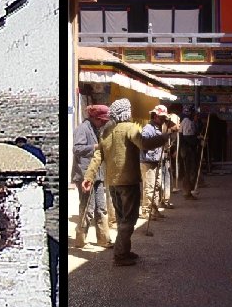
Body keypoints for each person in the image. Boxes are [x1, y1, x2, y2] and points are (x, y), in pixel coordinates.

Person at [82, 98, 179, 266]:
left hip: (112, 182)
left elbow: (98, 156)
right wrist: (166, 136)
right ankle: (120, 255)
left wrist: (88, 177)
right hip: (128, 181)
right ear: (126, 112)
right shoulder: (130, 128)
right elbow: (145, 144)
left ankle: (125, 251)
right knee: (130, 219)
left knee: (121, 219)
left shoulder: (106, 130)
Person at [71, 105, 113, 249]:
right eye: (102, 120)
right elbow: (76, 149)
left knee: (101, 208)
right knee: (88, 208)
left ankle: (103, 238)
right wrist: (94, 147)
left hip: (98, 174)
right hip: (84, 175)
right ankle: (81, 239)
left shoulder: (97, 129)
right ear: (94, 118)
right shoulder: (83, 129)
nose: (103, 123)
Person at [140, 105, 168, 220]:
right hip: (148, 161)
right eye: (161, 118)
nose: (163, 120)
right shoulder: (148, 129)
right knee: (149, 187)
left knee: (157, 186)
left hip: (156, 161)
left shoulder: (158, 128)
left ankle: (154, 209)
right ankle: (146, 211)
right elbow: (143, 143)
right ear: (155, 116)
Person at [178, 105, 199, 200]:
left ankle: (188, 191)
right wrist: (198, 140)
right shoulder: (187, 122)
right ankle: (187, 192)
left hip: (188, 149)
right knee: (189, 171)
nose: (196, 116)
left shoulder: (189, 122)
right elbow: (187, 138)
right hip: (187, 150)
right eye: (195, 114)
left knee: (190, 170)